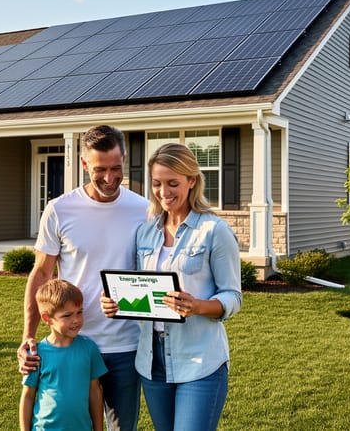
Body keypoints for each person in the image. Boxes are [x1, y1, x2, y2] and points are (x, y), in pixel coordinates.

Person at [101, 143, 242, 431]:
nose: (164, 192)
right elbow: (141, 288)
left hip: (200, 361)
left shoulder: (214, 231)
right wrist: (117, 303)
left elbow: (233, 296)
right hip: (151, 363)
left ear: (192, 181)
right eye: (157, 183)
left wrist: (198, 306)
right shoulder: (145, 232)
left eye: (173, 183)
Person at [18, 124, 149, 431]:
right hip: (71, 344)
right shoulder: (60, 210)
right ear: (84, 164)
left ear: (125, 159)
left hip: (125, 346)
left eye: (117, 168)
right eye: (100, 169)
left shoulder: (143, 209)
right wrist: (28, 335)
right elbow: (41, 274)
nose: (109, 178)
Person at [20, 279, 107, 431]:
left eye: (79, 312)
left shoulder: (89, 349)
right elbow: (28, 396)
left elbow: (95, 392)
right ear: (47, 318)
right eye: (67, 315)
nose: (76, 320)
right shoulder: (36, 353)